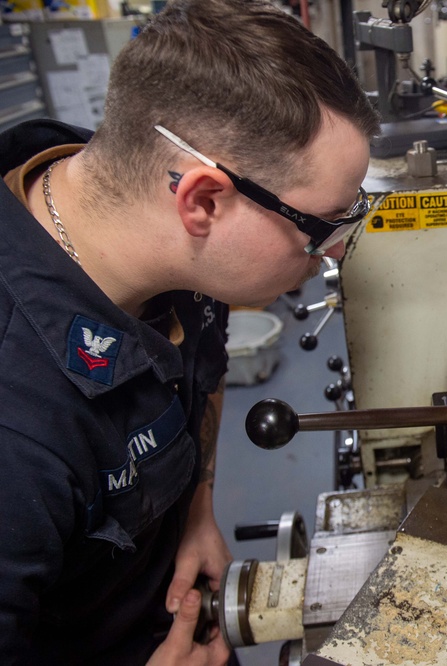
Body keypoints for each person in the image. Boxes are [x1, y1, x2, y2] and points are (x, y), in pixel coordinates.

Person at [0, 0, 380, 664]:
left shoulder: (149, 225)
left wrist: (196, 504)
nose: (336, 253)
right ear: (202, 200)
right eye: (324, 227)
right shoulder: (17, 426)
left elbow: (203, 359)